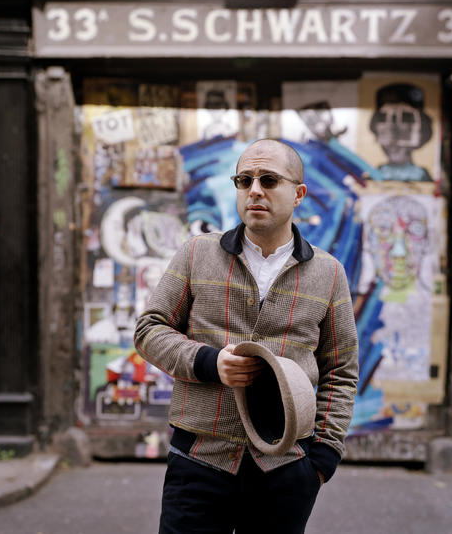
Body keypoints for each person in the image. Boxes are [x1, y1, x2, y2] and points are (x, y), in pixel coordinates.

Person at [134, 138, 359, 533]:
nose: (254, 190)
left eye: (269, 180)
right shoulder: (196, 253)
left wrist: (322, 460)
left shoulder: (329, 272)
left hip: (286, 469)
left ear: (298, 194)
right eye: (244, 180)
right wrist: (209, 362)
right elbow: (149, 328)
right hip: (200, 460)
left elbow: (340, 370)